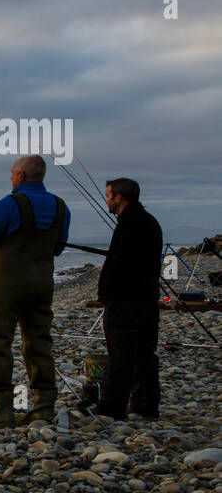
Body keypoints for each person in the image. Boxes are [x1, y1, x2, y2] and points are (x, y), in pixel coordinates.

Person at [0, 155, 71, 426]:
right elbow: (58, 248)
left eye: (13, 174)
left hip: (8, 285)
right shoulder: (61, 208)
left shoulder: (10, 203)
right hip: (42, 285)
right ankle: (43, 407)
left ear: (21, 176)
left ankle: (2, 409)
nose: (11, 179)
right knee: (39, 342)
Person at [95, 178, 162, 419]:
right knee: (145, 352)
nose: (107, 201)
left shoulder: (129, 224)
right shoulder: (149, 221)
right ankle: (146, 406)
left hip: (125, 301)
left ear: (119, 198)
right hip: (147, 298)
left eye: (109, 196)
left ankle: (112, 408)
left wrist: (105, 293)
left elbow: (118, 264)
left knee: (120, 353)